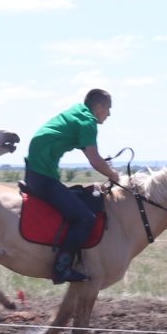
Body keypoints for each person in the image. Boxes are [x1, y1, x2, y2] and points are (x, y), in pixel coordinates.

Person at [25, 89, 124, 283]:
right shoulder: (87, 121)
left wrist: (105, 165)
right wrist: (113, 174)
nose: (109, 114)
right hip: (43, 176)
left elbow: (91, 154)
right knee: (85, 218)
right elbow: (94, 159)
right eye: (108, 109)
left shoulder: (77, 112)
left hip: (36, 171)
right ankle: (61, 268)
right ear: (98, 107)